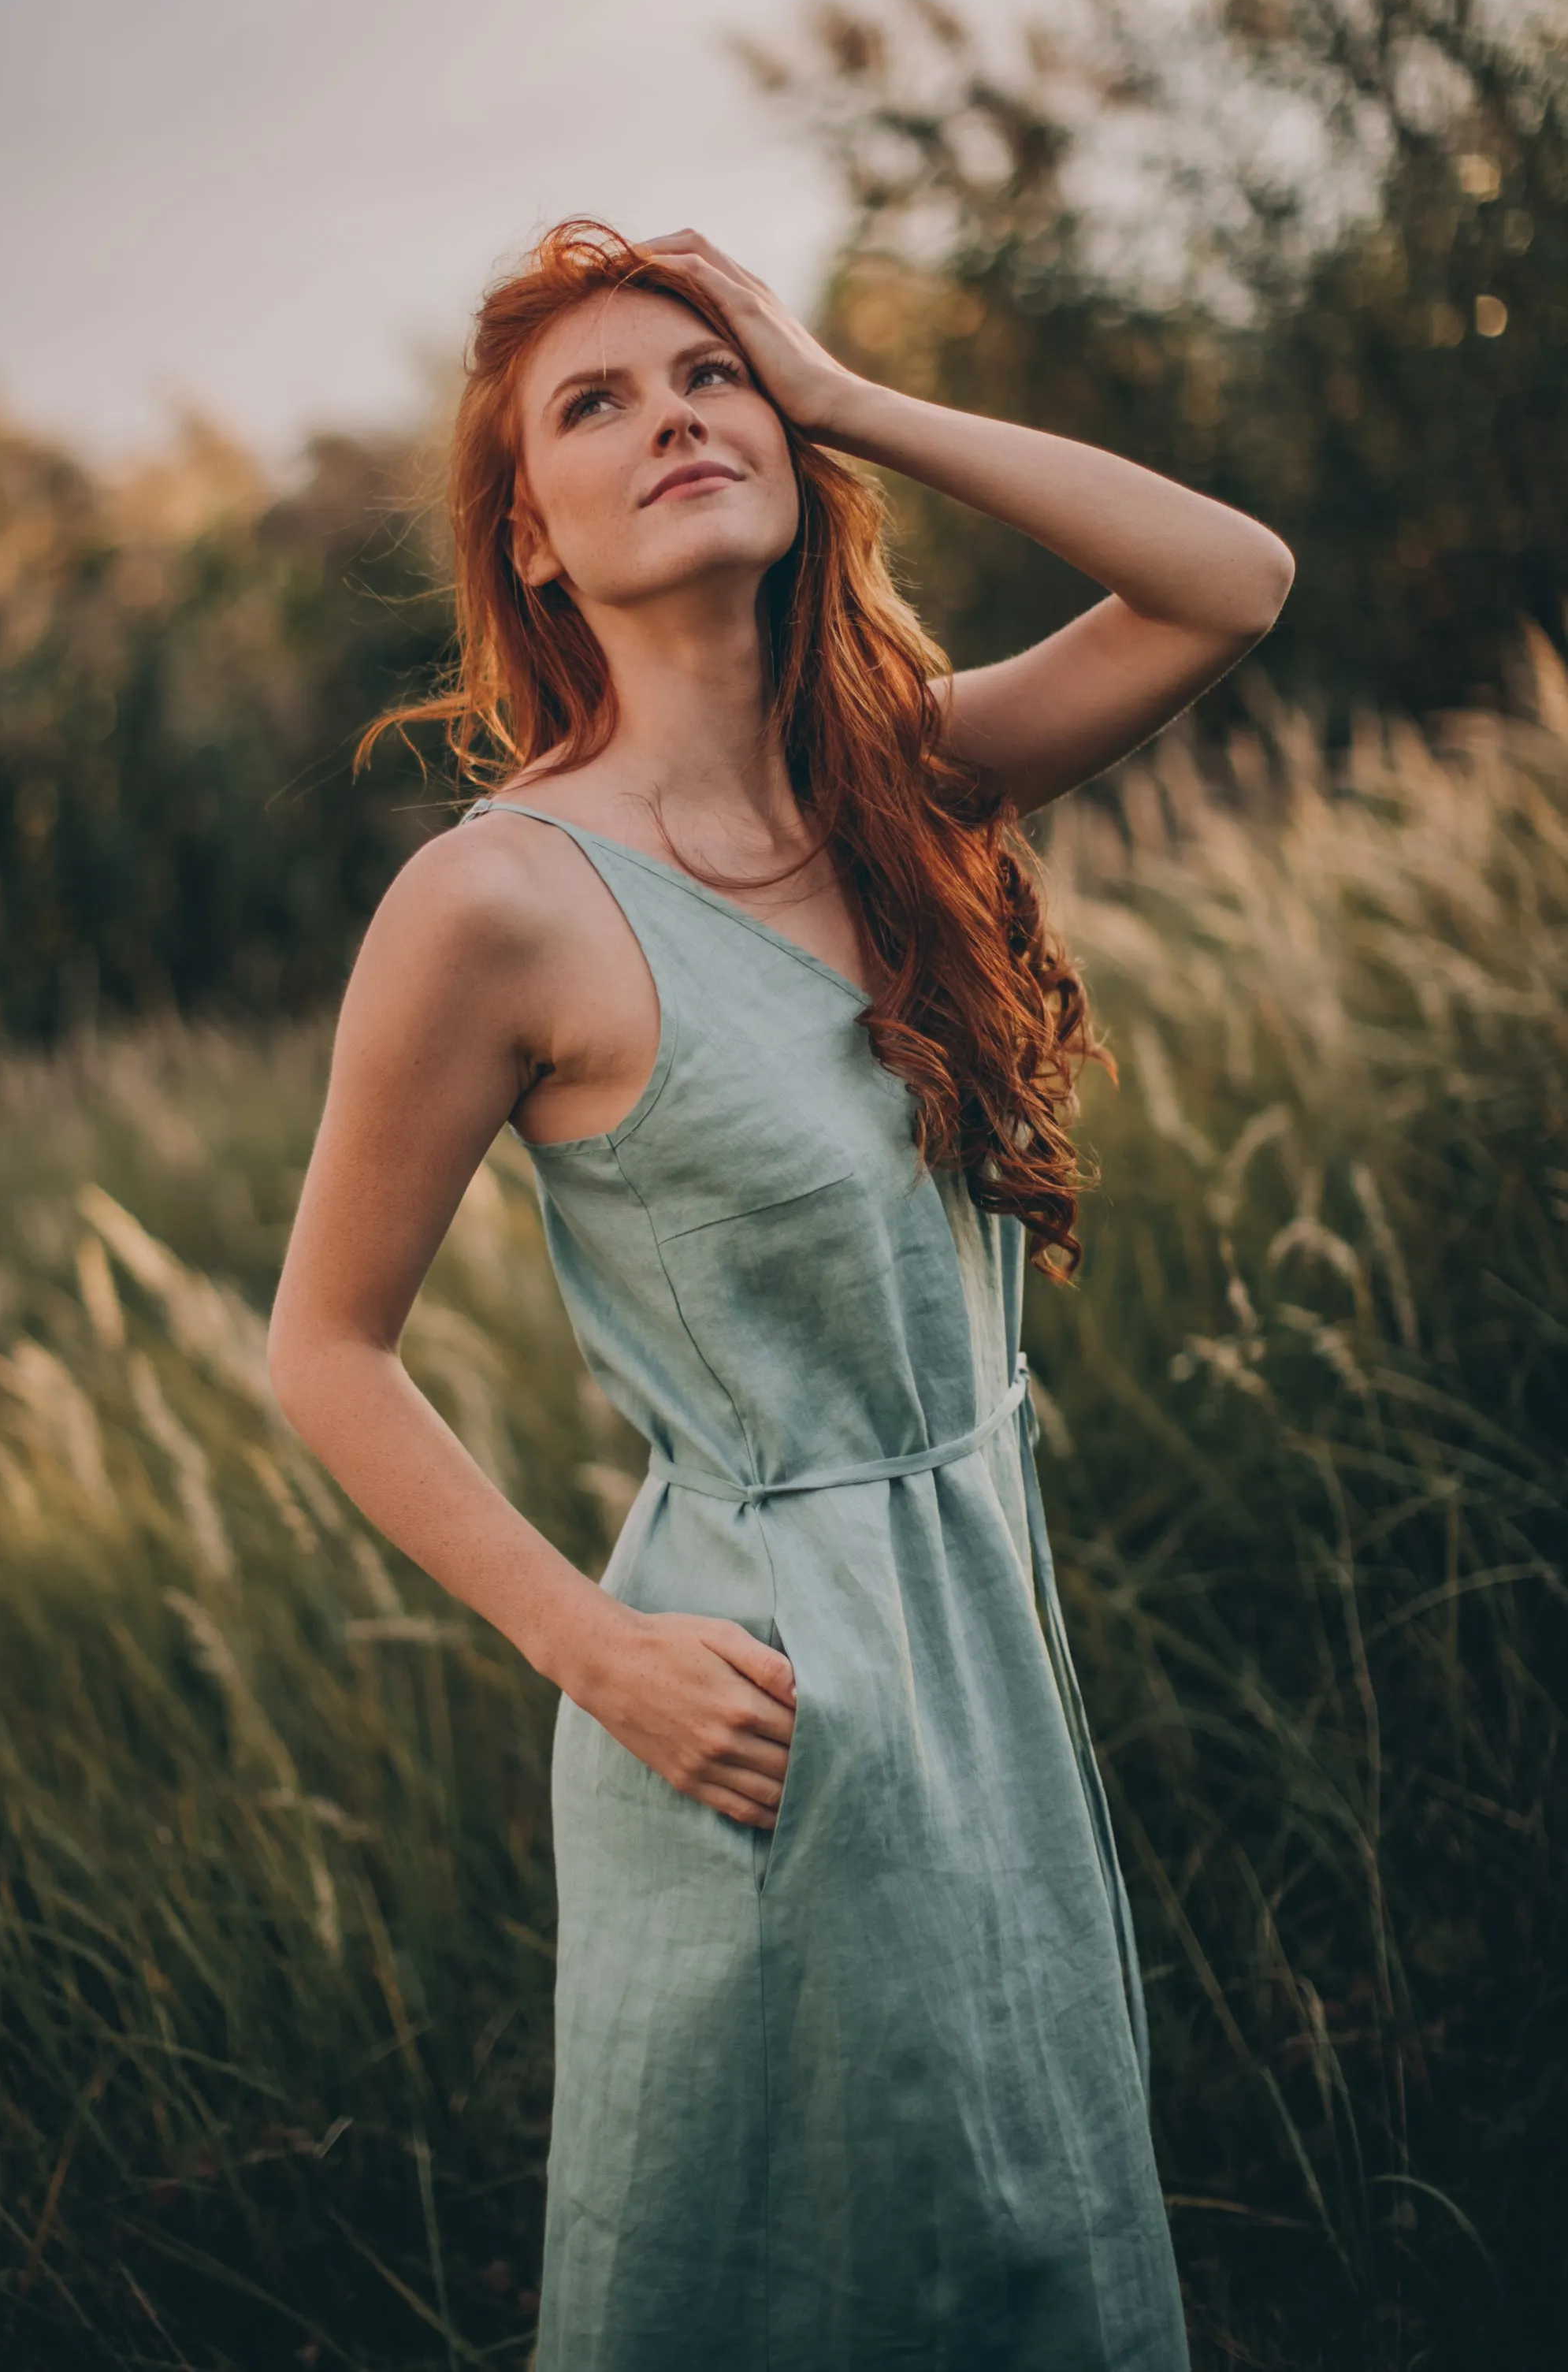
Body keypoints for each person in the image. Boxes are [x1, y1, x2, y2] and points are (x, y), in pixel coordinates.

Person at [267, 220, 1294, 2368]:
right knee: (791, 2296)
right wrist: (594, 1651)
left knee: (1034, 2270)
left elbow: (1231, 582)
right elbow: (325, 1346)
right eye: (598, 404)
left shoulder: (903, 786)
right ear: (528, 541)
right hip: (754, 1703)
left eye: (708, 373)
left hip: (986, 1651)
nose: (675, 418)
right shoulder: (497, 900)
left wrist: (846, 393)